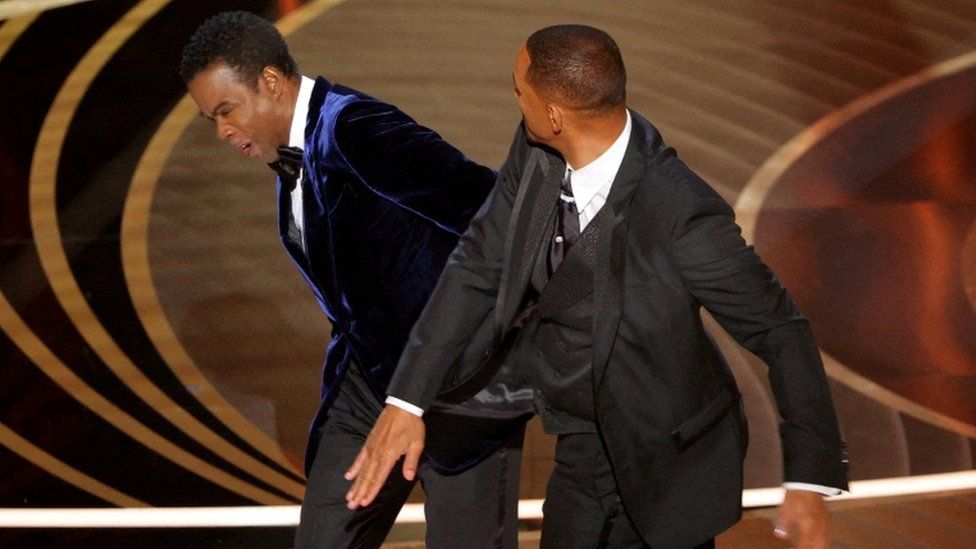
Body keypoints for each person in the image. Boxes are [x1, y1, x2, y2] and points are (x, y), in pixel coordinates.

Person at [346, 24, 849, 549]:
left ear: (556, 115)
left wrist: (808, 481)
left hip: (667, 457)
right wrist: (407, 401)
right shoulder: (536, 152)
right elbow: (479, 262)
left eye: (520, 89)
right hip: (582, 445)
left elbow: (780, 329)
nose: (515, 98)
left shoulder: (681, 214)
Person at [179, 11, 526, 548]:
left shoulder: (356, 128)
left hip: (458, 389)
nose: (223, 132)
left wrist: (493, 338)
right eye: (212, 120)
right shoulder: (293, 159)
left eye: (227, 111)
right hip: (366, 384)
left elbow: (492, 211)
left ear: (270, 82)